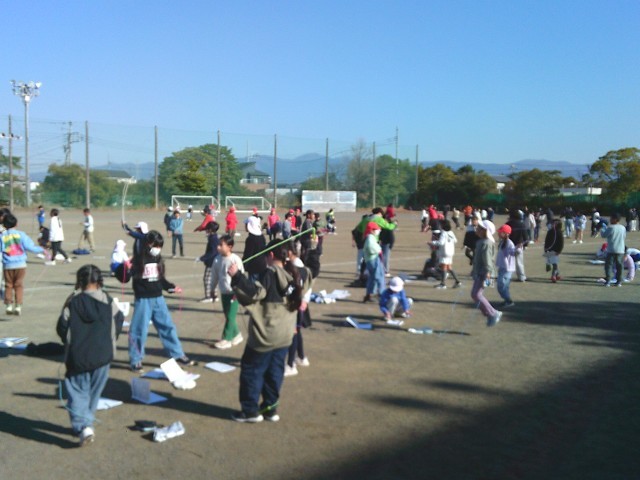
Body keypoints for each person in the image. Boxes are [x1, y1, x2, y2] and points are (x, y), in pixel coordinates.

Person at [228, 240, 302, 423]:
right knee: (274, 372)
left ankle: (250, 411)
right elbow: (309, 275)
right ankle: (270, 408)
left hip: (265, 336)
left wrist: (237, 276)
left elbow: (256, 293)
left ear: (270, 255)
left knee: (252, 371)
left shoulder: (270, 273)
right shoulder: (295, 274)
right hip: (284, 336)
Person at [56, 265, 124, 447]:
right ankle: (85, 424)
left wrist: (69, 342)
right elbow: (119, 321)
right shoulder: (108, 301)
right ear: (99, 280)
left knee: (78, 393)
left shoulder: (72, 302)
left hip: (79, 357)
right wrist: (109, 341)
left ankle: (83, 425)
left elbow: (62, 327)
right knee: (92, 393)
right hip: (102, 356)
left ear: (79, 281)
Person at [127, 230, 194, 372]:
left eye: (160, 246)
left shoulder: (158, 259)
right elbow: (125, 277)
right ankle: (136, 359)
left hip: (158, 299)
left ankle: (177, 354)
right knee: (139, 330)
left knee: (167, 327)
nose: (157, 249)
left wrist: (171, 287)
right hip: (143, 300)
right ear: (148, 244)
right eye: (155, 245)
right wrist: (125, 267)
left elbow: (161, 280)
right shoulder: (138, 259)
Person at [1, 213, 45, 315]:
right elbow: (30, 247)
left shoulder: (2, 236)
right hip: (20, 264)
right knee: (19, 285)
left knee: (8, 285)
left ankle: (8, 305)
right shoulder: (21, 234)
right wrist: (41, 249)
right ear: (16, 224)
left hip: (8, 264)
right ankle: (18, 306)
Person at [284, 242, 314, 377]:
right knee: (297, 331)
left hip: (297, 304)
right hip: (298, 303)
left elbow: (306, 284)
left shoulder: (297, 266)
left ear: (290, 252)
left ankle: (291, 365)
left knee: (294, 332)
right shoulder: (293, 264)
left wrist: (305, 301)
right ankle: (301, 357)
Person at [210, 234, 245, 349]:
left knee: (230, 316)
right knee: (228, 316)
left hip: (234, 293)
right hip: (224, 292)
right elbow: (214, 276)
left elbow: (241, 276)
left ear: (230, 247)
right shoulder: (217, 259)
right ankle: (237, 335)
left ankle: (226, 339)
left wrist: (238, 291)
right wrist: (212, 289)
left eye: (221, 245)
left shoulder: (235, 259)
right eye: (218, 245)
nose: (218, 247)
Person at [471, 219, 501, 327]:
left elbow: (488, 260)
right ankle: (490, 314)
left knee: (476, 294)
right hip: (480, 273)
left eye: (479, 228)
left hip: (486, 273)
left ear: (485, 231)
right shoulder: (481, 242)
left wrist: (487, 276)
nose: (477, 229)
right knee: (475, 294)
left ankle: (493, 313)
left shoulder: (486, 243)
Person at [430, 220, 461, 289]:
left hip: (444, 252)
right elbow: (455, 240)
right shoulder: (451, 232)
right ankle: (457, 281)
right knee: (449, 267)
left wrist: (432, 242)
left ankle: (443, 284)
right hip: (451, 252)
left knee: (444, 267)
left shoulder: (444, 233)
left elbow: (441, 243)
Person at [196, 221, 220, 303]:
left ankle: (209, 296)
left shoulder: (213, 239)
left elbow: (212, 252)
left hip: (212, 263)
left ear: (210, 230)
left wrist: (202, 258)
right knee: (214, 280)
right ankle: (214, 296)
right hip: (215, 262)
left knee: (207, 280)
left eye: (207, 229)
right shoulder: (214, 237)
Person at [495, 224, 518, 308]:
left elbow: (512, 252)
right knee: (502, 285)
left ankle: (509, 301)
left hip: (507, 268)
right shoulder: (502, 242)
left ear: (506, 234)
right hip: (502, 266)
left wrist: (517, 250)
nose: (499, 233)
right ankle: (506, 300)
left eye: (501, 232)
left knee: (502, 285)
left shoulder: (509, 243)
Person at [601, 213, 627, 287]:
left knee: (608, 266)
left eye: (611, 218)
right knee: (619, 266)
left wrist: (603, 229)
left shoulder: (611, 227)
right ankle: (619, 281)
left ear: (615, 219)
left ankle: (608, 281)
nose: (610, 220)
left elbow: (604, 235)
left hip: (612, 249)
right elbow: (624, 236)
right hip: (621, 249)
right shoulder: (623, 228)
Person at [363, 222, 385, 303]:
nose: (378, 231)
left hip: (370, 260)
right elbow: (371, 248)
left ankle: (370, 294)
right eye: (376, 229)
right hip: (373, 259)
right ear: (372, 230)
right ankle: (382, 294)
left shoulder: (370, 237)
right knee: (379, 276)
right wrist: (379, 249)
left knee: (372, 277)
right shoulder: (370, 238)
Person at [243, 216, 267, 282]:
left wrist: (243, 265)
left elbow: (248, 254)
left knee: (253, 285)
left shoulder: (250, 239)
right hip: (262, 264)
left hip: (254, 267)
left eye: (246, 224)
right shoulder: (261, 236)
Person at [543, 219, 564, 283]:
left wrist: (559, 250)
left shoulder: (558, 232)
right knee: (554, 264)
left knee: (554, 263)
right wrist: (545, 249)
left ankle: (556, 275)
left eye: (553, 223)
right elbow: (546, 241)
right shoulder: (550, 231)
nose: (551, 224)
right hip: (550, 250)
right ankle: (554, 276)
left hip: (554, 250)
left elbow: (561, 243)